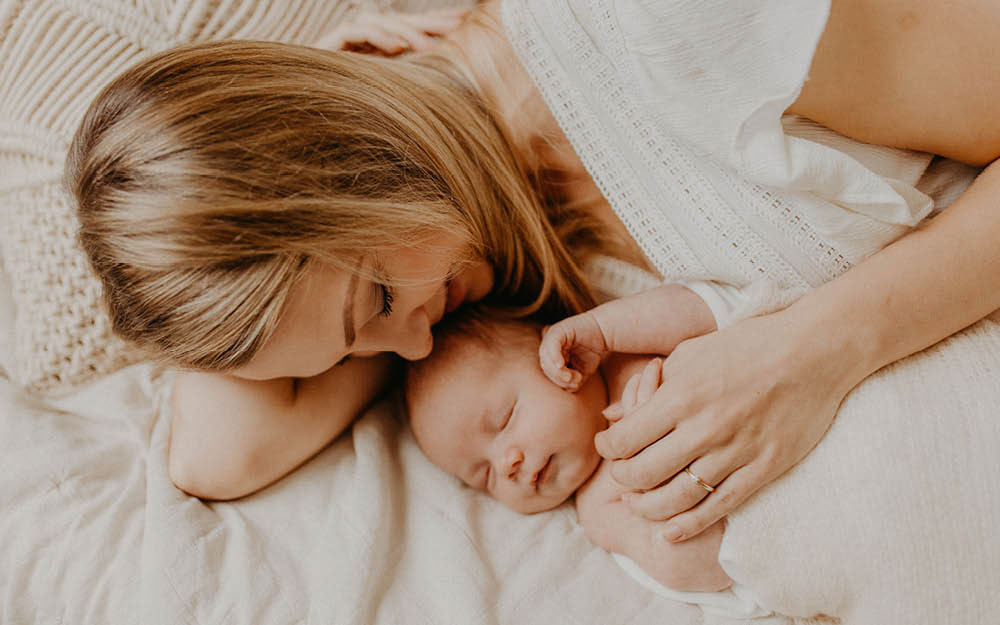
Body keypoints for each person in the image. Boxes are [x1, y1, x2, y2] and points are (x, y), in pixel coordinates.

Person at [65, 0, 1000, 552]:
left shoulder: (659, 34)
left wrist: (821, 349)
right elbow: (216, 455)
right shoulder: (507, 290)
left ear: (356, 143)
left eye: (381, 303)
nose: (416, 347)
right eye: (362, 345)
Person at [404, 296, 767, 617]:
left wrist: (604, 328)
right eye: (484, 476)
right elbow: (712, 568)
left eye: (505, 419)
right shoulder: (602, 508)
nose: (505, 464)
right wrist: (659, 496)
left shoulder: (627, 340)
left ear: (559, 356)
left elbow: (722, 307)